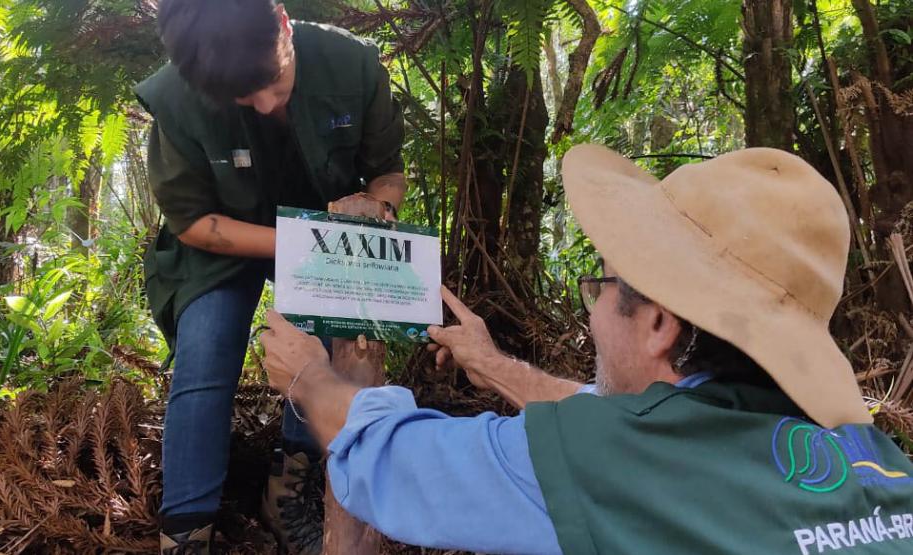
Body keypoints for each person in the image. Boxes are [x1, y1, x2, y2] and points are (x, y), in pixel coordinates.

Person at [262, 144, 913, 554]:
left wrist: (309, 377)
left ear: (658, 322)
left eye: (599, 281)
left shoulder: (606, 465)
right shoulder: (877, 463)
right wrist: (495, 366)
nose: (591, 306)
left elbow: (397, 463)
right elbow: (637, 423)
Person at [135, 0, 405, 552]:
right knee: (206, 356)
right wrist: (301, 243)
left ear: (283, 25)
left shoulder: (351, 63)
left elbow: (387, 173)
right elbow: (194, 221)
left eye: (274, 82)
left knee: (324, 349)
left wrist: (372, 212)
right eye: (242, 97)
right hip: (222, 239)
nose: (263, 105)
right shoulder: (179, 94)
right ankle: (187, 527)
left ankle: (291, 488)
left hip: (325, 229)